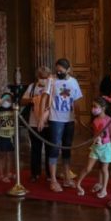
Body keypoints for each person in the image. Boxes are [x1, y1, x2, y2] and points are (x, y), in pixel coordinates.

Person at [43, 58, 83, 192]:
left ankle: (67, 176)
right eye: (57, 70)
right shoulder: (51, 80)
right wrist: (43, 116)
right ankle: (53, 179)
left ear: (68, 70)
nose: (58, 73)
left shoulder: (73, 82)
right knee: (54, 147)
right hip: (55, 118)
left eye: (61, 71)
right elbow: (45, 97)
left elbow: (76, 101)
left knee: (67, 148)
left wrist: (78, 117)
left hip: (69, 119)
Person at [75, 97, 111, 198]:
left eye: (95, 106)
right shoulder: (95, 120)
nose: (93, 108)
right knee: (88, 168)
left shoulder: (109, 120)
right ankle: (78, 184)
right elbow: (92, 132)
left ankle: (104, 189)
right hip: (96, 147)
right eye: (92, 106)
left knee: (104, 169)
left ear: (103, 108)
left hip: (106, 147)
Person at [20, 66, 52, 182]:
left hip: (49, 123)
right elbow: (22, 101)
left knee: (50, 149)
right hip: (33, 122)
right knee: (35, 149)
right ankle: (35, 173)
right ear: (38, 77)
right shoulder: (32, 87)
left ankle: (50, 174)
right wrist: (32, 99)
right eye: (41, 77)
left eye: (45, 77)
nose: (43, 80)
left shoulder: (52, 87)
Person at [0, 93, 16, 183]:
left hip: (11, 136)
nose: (7, 101)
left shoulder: (13, 110)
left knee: (9, 156)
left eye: (9, 100)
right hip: (1, 135)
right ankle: (1, 175)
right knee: (1, 155)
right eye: (5, 99)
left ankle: (8, 173)